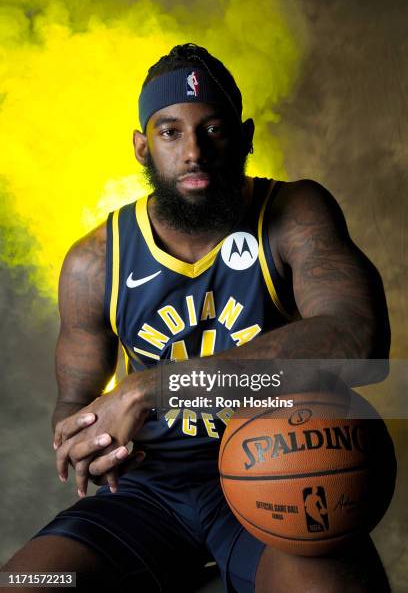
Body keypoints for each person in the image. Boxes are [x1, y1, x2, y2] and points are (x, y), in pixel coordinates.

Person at [2, 43, 392, 592]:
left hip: (278, 469)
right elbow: (75, 401)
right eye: (170, 132)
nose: (194, 152)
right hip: (146, 493)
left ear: (246, 135)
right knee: (31, 585)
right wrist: (88, 444)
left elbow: (359, 340)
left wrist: (155, 387)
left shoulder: (293, 214)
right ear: (142, 147)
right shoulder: (96, 261)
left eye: (213, 129)